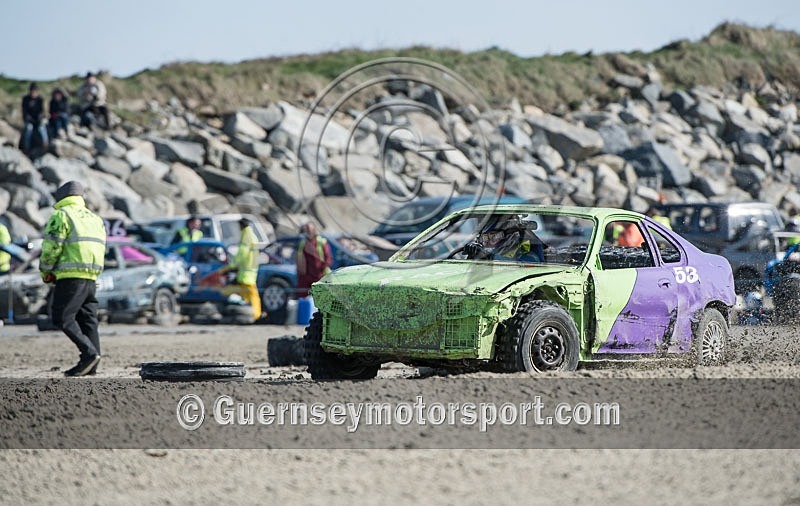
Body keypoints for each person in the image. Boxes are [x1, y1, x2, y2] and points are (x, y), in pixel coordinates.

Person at [40, 181, 106, 377]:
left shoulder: (61, 215)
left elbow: (52, 246)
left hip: (70, 276)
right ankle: (92, 364)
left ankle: (88, 354)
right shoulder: (95, 218)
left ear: (60, 198)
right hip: (91, 276)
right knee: (88, 320)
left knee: (62, 317)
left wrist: (46, 271)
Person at [219, 219, 261, 320]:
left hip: (246, 273)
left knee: (251, 294)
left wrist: (232, 266)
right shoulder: (252, 236)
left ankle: (255, 315)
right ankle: (251, 315)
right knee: (247, 295)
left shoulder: (246, 236)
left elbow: (242, 254)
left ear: (241, 226)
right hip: (251, 271)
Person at [464, 217, 544, 262]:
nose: (487, 241)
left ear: (509, 236)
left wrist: (489, 257)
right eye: (484, 237)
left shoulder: (527, 252)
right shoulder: (489, 251)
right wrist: (473, 255)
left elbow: (521, 265)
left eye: (493, 236)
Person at [296, 222, 332, 298]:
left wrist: (322, 270)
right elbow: (299, 258)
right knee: (303, 297)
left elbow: (328, 259)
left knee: (321, 297)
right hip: (306, 277)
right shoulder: (303, 243)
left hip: (320, 276)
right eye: (306, 230)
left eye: (309, 229)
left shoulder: (321, 242)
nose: (307, 232)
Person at [21, 82, 49, 153]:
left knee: (42, 128)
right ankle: (26, 148)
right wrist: (29, 119)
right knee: (28, 129)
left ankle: (46, 145)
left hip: (38, 120)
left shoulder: (40, 99)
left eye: (35, 90)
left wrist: (40, 118)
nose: (33, 92)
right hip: (29, 120)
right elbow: (25, 112)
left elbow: (42, 111)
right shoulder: (26, 99)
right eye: (32, 90)